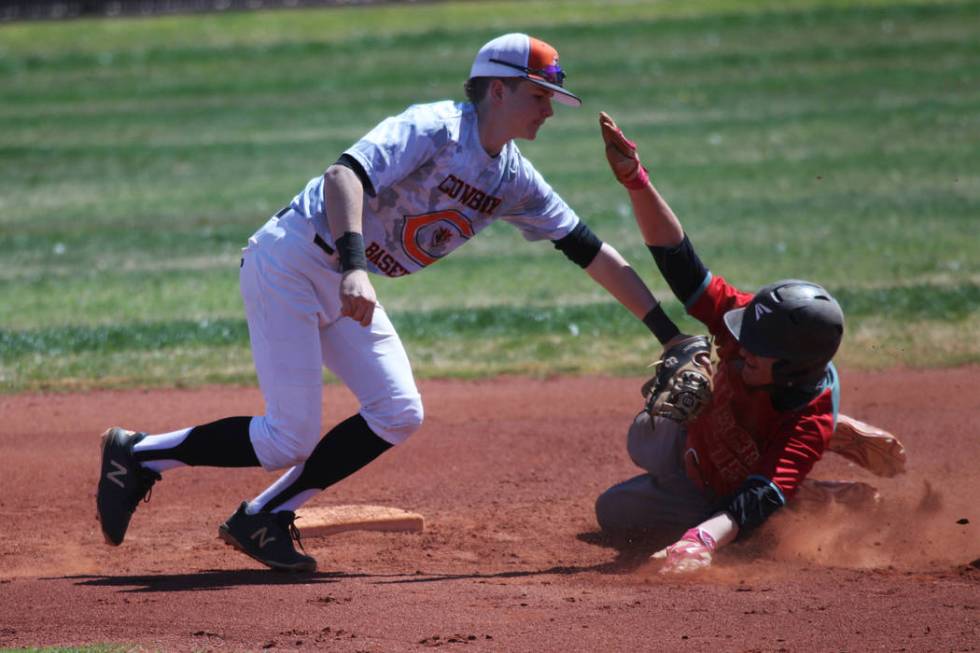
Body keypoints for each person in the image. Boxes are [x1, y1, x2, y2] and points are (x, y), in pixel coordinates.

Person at [96, 34, 682, 573]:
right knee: (286, 439)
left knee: (398, 409)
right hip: (294, 259)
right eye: (539, 95)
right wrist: (354, 267)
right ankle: (140, 454)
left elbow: (588, 250)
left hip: (342, 277)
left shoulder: (514, 179)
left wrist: (669, 335)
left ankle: (262, 518)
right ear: (498, 89)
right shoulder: (434, 128)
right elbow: (342, 177)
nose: (548, 110)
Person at [593, 112, 905, 574]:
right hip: (709, 444)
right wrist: (635, 180)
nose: (739, 346)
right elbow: (683, 269)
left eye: (756, 348)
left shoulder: (804, 420)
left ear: (793, 368)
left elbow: (756, 497)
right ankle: (801, 465)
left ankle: (809, 495)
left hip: (741, 475)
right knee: (640, 448)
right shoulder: (753, 321)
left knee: (751, 514)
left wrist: (699, 540)